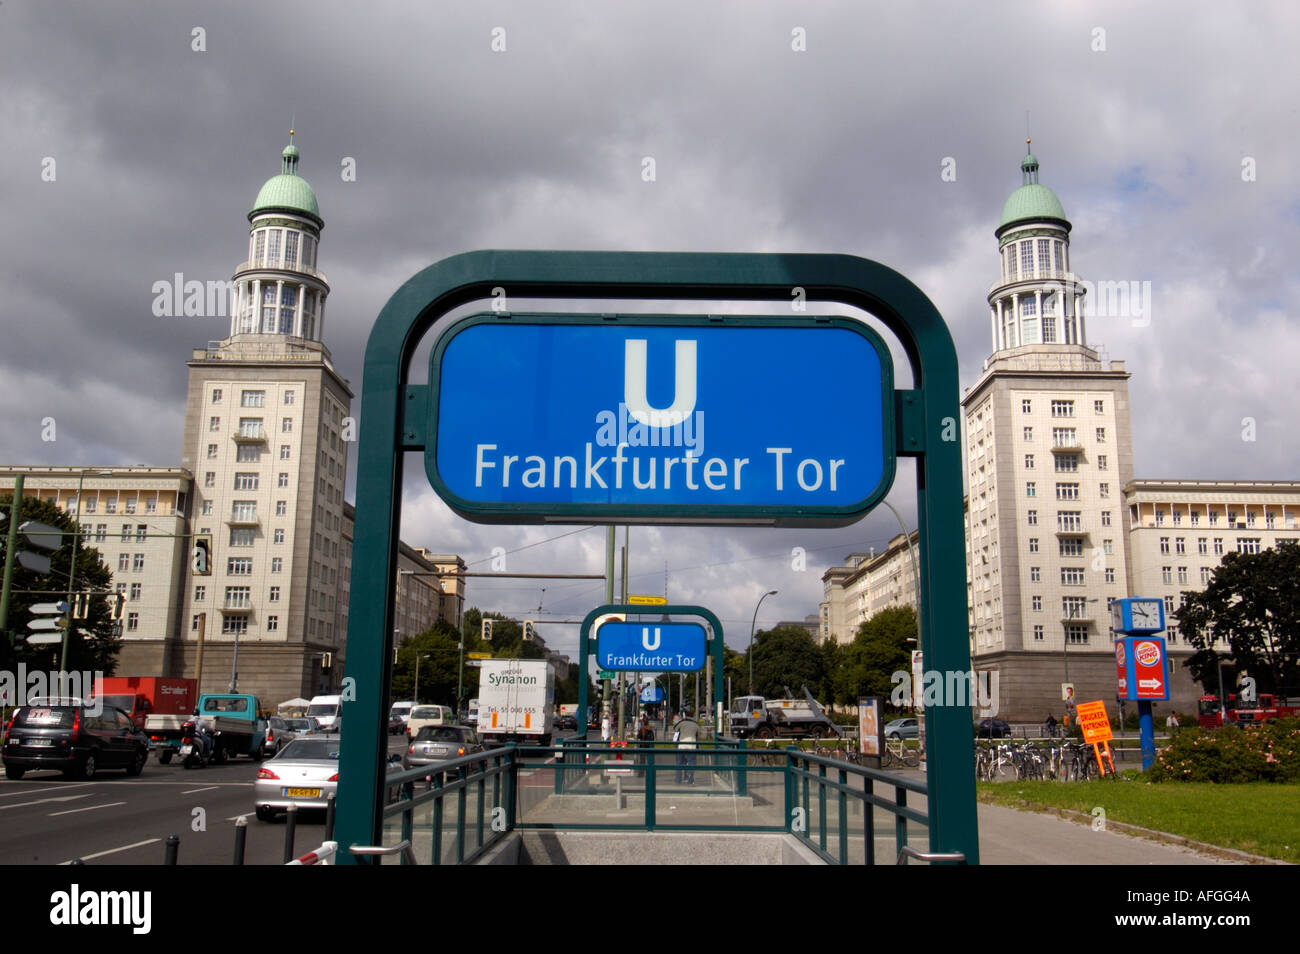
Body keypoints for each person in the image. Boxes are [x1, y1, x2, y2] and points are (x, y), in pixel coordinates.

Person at [673, 709, 700, 784]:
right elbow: (699, 734)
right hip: (692, 746)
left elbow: (675, 729)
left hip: (681, 745)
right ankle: (690, 780)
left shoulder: (682, 723)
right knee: (691, 763)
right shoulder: (696, 724)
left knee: (679, 763)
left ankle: (678, 780)